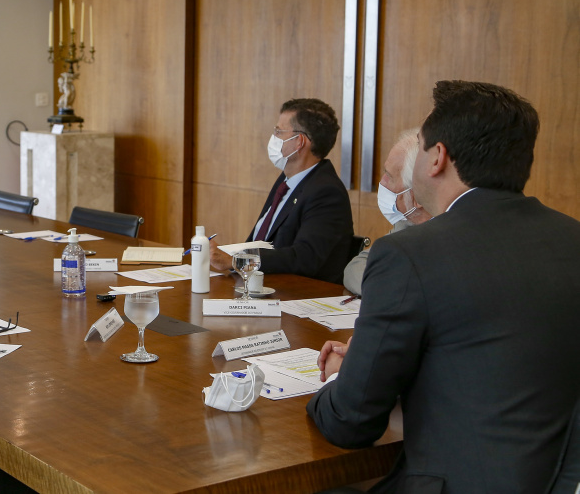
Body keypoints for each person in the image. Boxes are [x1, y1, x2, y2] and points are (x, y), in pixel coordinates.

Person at [307, 81, 580, 493]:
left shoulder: (410, 253)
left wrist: (340, 381)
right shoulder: (571, 239)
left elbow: (350, 423)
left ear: (437, 158)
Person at [210, 98, 353, 284]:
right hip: (260, 286)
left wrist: (237, 261)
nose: (273, 137)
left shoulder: (326, 192)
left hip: (298, 295)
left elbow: (305, 257)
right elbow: (259, 241)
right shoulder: (286, 180)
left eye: (279, 131)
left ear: (299, 142)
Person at [342, 129, 432, 295]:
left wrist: (386, 288)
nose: (381, 183)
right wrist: (384, 289)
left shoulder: (446, 234)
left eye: (390, 177)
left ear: (418, 196)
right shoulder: (406, 224)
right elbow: (356, 266)